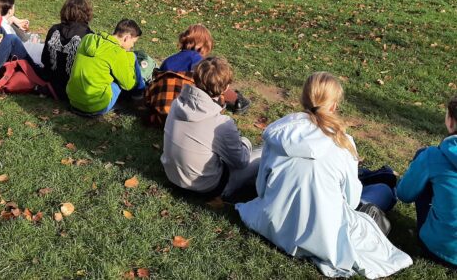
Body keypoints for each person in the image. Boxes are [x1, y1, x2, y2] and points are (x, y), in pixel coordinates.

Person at [236, 72, 412, 278]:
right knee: (383, 191)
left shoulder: (278, 134)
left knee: (359, 182)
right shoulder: (342, 143)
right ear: (334, 105)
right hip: (321, 233)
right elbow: (352, 201)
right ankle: (382, 179)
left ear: (302, 98)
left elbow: (261, 188)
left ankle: (376, 176)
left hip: (273, 222)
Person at [160, 57, 261, 199]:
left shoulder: (177, 103)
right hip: (206, 187)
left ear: (195, 78)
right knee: (262, 152)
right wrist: (245, 142)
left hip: (173, 176)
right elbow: (240, 162)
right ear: (226, 88)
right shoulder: (220, 123)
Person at [145, 24, 249, 126]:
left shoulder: (167, 61)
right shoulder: (197, 61)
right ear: (203, 45)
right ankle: (237, 100)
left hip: (161, 113)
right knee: (214, 80)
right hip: (185, 113)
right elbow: (213, 82)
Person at [396, 98, 457, 268]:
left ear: (450, 121)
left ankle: (435, 232)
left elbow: (404, 194)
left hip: (440, 250)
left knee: (423, 157)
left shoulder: (433, 156)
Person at [67, 19, 144, 115]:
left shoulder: (88, 38)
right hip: (95, 107)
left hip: (73, 101)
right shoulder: (118, 53)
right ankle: (140, 96)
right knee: (132, 58)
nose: (132, 46)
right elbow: (129, 85)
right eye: (133, 42)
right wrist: (130, 58)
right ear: (127, 38)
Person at [41, 0, 93, 100]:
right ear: (87, 12)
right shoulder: (89, 36)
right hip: (72, 88)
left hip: (51, 82)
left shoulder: (54, 29)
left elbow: (45, 59)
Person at [0, 0, 43, 66]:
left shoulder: (0, 21)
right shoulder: (5, 28)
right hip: (22, 52)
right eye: (13, 7)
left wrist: (16, 21)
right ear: (9, 11)